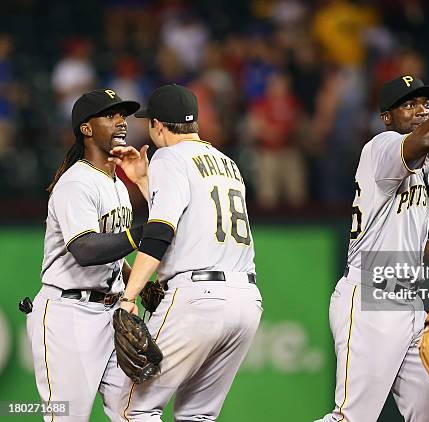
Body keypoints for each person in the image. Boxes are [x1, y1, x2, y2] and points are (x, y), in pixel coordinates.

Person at [316, 76, 429, 422]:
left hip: (409, 304)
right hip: (370, 299)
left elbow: (415, 244)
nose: (422, 109)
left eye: (426, 103)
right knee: (351, 418)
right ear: (387, 118)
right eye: (410, 105)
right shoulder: (384, 146)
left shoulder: (422, 167)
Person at [110, 84, 262, 421]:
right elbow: (193, 217)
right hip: (246, 300)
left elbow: (161, 231)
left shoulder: (168, 156)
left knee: (132, 410)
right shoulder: (227, 162)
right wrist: (145, 183)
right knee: (197, 415)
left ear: (159, 126)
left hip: (198, 298)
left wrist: (129, 295)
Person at [26, 89, 143, 421]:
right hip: (68, 314)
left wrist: (137, 282)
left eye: (123, 115)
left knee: (134, 413)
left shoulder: (117, 183)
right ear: (86, 128)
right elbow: (86, 249)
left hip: (111, 313)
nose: (121, 122)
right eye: (110, 115)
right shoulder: (76, 182)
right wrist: (142, 233)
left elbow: (113, 253)